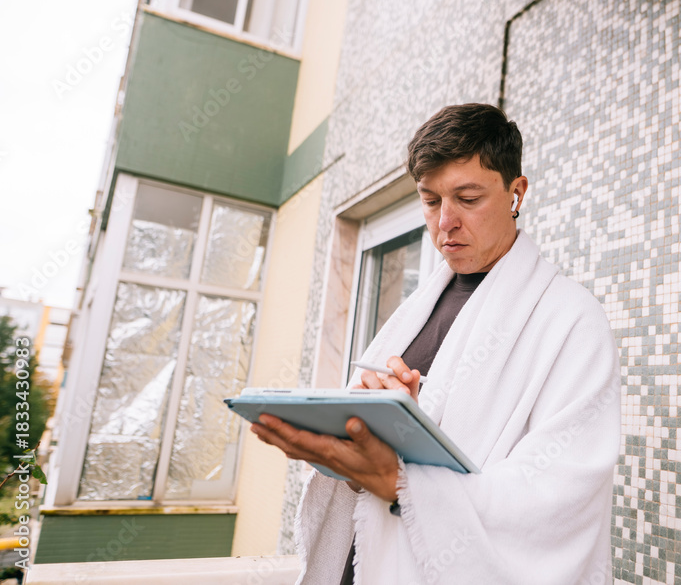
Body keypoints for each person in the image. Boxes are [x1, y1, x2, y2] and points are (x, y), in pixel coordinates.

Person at [251, 103, 621, 584]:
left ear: (517, 193)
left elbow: (559, 497)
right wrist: (367, 427)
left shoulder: (573, 321)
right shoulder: (416, 309)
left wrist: (400, 480)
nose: (445, 222)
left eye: (468, 198)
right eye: (430, 201)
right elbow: (422, 441)